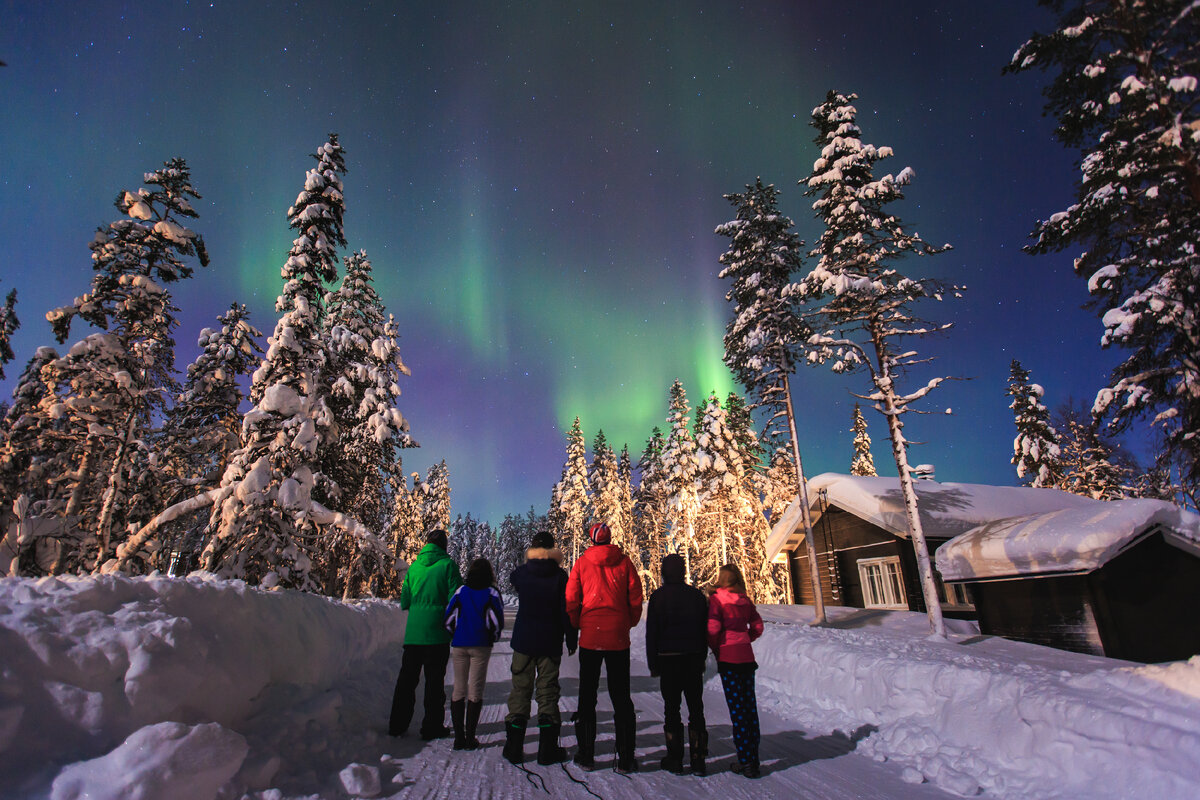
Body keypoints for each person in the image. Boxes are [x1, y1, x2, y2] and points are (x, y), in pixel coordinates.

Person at [565, 521, 643, 773]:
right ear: (609, 539)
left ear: (592, 540)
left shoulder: (582, 563)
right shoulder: (624, 563)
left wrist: (579, 624)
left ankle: (586, 755)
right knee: (621, 696)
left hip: (591, 637)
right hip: (618, 638)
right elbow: (635, 597)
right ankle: (626, 758)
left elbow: (571, 599)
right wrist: (627, 622)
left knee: (587, 695)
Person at [503, 530, 578, 765]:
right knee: (547, 693)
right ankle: (547, 751)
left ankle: (514, 748)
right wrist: (571, 638)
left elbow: (513, 579)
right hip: (549, 641)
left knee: (520, 691)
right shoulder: (560, 576)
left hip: (524, 641)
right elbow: (567, 610)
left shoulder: (523, 573)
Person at [389, 528, 462, 740]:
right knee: (434, 683)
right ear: (444, 546)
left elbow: (405, 601)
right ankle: (431, 727)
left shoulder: (414, 567)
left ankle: (397, 725)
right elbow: (457, 598)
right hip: (437, 635)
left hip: (413, 635)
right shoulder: (448, 565)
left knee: (407, 681)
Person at [645, 553, 709, 775]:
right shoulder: (697, 597)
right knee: (696, 708)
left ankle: (675, 759)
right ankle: (699, 760)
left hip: (668, 659)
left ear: (664, 572)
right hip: (692, 658)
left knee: (671, 708)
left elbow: (652, 633)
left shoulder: (658, 597)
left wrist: (653, 662)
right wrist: (702, 658)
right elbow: (704, 631)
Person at [707, 563, 764, 778]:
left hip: (728, 658)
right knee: (750, 708)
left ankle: (745, 760)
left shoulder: (717, 600)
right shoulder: (745, 600)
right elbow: (758, 626)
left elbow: (712, 628)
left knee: (737, 710)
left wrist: (716, 646)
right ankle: (753, 758)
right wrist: (745, 639)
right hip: (747, 658)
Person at [444, 557, 505, 750]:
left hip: (460, 644)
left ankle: (458, 738)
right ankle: (470, 737)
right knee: (475, 690)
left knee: (458, 689)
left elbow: (449, 617)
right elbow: (496, 620)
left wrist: (455, 634)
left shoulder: (461, 591)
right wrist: (492, 637)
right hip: (481, 645)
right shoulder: (492, 593)